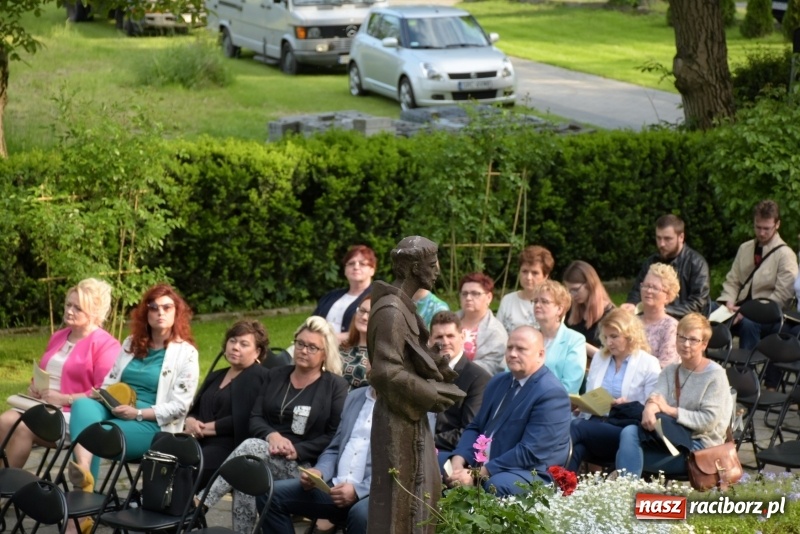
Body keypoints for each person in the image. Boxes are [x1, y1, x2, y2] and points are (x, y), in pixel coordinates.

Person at [200, 316, 348, 533]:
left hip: (306, 467)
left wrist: (296, 449)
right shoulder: (277, 375)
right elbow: (255, 417)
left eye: (312, 347)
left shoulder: (334, 386)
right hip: (267, 453)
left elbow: (333, 435)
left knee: (250, 452)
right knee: (249, 472)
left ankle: (201, 502)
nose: (303, 350)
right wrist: (272, 436)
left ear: (325, 353)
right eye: (300, 343)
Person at [367, 236, 464, 534]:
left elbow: (405, 357)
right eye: (432, 264)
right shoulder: (392, 312)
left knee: (424, 499)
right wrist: (430, 393)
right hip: (398, 422)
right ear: (411, 268)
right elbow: (385, 371)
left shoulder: (404, 308)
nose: (437, 271)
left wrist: (434, 365)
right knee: (401, 508)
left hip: (408, 418)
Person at [68, 283, 199, 488]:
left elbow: (180, 406)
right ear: (146, 313)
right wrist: (105, 399)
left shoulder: (186, 353)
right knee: (82, 406)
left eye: (167, 307)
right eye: (153, 307)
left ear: (177, 312)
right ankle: (84, 472)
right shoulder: (131, 343)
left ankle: (83, 498)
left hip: (152, 423)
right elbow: (110, 383)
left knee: (103, 433)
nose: (160, 313)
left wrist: (137, 413)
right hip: (116, 407)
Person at [0, 278, 120, 468]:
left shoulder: (106, 345)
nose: (69, 311)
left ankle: (8, 488)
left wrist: (64, 399)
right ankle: (9, 481)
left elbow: (104, 393)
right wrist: (35, 387)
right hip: (42, 405)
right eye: (68, 305)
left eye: (78, 308)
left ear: (94, 313)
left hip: (73, 416)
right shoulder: (59, 336)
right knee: (4, 421)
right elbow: (45, 371)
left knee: (22, 428)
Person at [444, 326, 571, 496]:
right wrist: (459, 460)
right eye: (510, 347)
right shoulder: (498, 381)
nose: (512, 353)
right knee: (433, 462)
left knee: (496, 484)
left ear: (540, 354)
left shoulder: (551, 394)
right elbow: (476, 426)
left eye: (521, 349)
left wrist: (478, 474)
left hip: (529, 471)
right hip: (483, 462)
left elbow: (529, 453)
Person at [616, 313, 733, 478]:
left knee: (625, 456)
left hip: (698, 447)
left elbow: (708, 421)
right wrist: (649, 408)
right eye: (681, 337)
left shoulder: (715, 376)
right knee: (629, 432)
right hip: (669, 437)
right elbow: (656, 395)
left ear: (704, 344)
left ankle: (625, 491)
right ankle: (628, 489)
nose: (685, 344)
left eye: (693, 340)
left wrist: (670, 410)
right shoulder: (670, 370)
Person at [258, 379, 376, 534]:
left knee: (361, 515)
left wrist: (357, 491)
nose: (372, 363)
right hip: (335, 488)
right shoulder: (356, 396)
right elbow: (335, 449)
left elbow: (401, 469)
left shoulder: (400, 406)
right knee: (269, 494)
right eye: (370, 358)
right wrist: (319, 472)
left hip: (371, 494)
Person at [568, 309, 661, 472]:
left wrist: (628, 404)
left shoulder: (648, 363)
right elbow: (592, 394)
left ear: (630, 336)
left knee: (574, 428)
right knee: (576, 449)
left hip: (625, 428)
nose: (609, 342)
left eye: (614, 336)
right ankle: (558, 491)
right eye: (606, 337)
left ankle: (536, 472)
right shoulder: (600, 358)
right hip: (595, 424)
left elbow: (652, 406)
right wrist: (581, 405)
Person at [185, 320, 271, 489]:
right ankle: (150, 500)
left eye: (244, 344)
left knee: (189, 463)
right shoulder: (217, 375)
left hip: (230, 446)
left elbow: (244, 419)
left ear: (257, 352)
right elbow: (195, 408)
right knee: (161, 448)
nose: (235, 347)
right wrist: (191, 421)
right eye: (232, 341)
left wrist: (204, 429)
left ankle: (183, 510)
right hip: (200, 440)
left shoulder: (259, 377)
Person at [718, 200, 798, 354]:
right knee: (707, 310)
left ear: (777, 225)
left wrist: (747, 311)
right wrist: (728, 302)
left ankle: (746, 371)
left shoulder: (786, 255)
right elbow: (733, 281)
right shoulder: (745, 248)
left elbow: (782, 297)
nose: (761, 233)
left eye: (766, 228)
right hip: (738, 306)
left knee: (749, 323)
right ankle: (708, 366)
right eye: (758, 227)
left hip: (768, 314)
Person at [428, 311, 491, 458]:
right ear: (430, 340)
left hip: (452, 454)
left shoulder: (478, 378)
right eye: (439, 337)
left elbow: (469, 430)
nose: (444, 342)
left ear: (462, 337)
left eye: (450, 336)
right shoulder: (423, 373)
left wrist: (425, 441)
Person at [622, 215, 710, 318]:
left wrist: (664, 311)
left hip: (688, 324)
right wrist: (632, 304)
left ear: (681, 237)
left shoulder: (697, 263)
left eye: (667, 239)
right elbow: (637, 290)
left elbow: (698, 303)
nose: (661, 244)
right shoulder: (651, 262)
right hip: (653, 318)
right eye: (658, 238)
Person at [313, 245, 377, 344]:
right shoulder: (331, 296)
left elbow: (377, 331)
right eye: (351, 263)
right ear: (345, 270)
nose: (356, 267)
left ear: (372, 270)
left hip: (351, 352)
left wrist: (332, 339)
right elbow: (312, 321)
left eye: (362, 264)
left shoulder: (376, 298)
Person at [532, 280, 586, 394]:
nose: (537, 305)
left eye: (544, 301)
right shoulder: (528, 337)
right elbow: (510, 372)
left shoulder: (575, 340)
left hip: (556, 405)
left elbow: (570, 386)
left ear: (560, 309)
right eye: (535, 301)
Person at [457, 273, 508, 376]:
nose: (468, 298)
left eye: (475, 293)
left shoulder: (496, 330)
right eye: (464, 293)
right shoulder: (449, 321)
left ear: (489, 297)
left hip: (478, 386)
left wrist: (454, 368)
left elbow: (492, 366)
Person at [563, 260, 615, 359]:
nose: (572, 295)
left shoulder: (611, 315)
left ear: (590, 284)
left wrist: (579, 343)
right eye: (569, 291)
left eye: (575, 289)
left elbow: (611, 357)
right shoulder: (571, 311)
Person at [496, 245, 555, 333]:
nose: (528, 277)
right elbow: (497, 333)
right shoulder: (508, 300)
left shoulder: (552, 302)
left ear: (545, 276)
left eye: (535, 273)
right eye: (525, 271)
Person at [638, 263, 680, 369]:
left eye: (655, 288)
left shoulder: (670, 326)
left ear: (667, 296)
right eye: (646, 286)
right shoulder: (631, 321)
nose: (648, 291)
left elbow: (667, 366)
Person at [339, 296, 371, 391]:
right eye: (362, 310)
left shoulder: (380, 355)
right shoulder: (342, 347)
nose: (364, 317)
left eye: (371, 313)